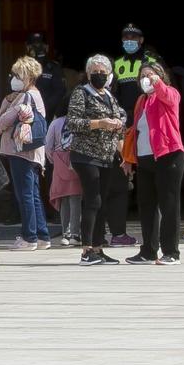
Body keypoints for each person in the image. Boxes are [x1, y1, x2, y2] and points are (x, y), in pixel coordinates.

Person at [65, 54, 126, 267]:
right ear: (88, 74)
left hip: (107, 156)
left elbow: (120, 124)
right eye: (95, 72)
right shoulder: (81, 93)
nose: (99, 76)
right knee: (92, 201)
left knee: (102, 201)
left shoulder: (110, 95)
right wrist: (100, 123)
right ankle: (86, 250)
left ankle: (99, 247)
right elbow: (73, 122)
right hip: (86, 155)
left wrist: (124, 155)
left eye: (103, 72)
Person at [127, 61, 184, 265]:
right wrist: (129, 158)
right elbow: (136, 131)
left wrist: (157, 83)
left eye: (151, 74)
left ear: (161, 76)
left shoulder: (169, 93)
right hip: (145, 158)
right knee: (147, 205)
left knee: (169, 205)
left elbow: (169, 98)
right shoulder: (141, 101)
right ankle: (148, 251)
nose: (146, 78)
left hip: (168, 155)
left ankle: (171, 252)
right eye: (143, 75)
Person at [105, 24, 161, 246]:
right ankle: (119, 232)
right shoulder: (116, 64)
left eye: (133, 37)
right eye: (125, 37)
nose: (129, 40)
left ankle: (154, 233)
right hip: (124, 126)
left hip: (146, 124)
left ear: (141, 39)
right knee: (120, 178)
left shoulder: (150, 62)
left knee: (151, 177)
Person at [0, 55, 51, 252]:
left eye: (17, 75)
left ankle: (29, 237)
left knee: (24, 194)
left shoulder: (26, 97)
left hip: (21, 151)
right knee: (33, 194)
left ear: (28, 76)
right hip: (33, 152)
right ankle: (42, 235)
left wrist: (3, 116)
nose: (13, 78)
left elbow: (2, 121)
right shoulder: (31, 95)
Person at [46, 113, 82, 244]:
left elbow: (48, 145)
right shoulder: (80, 120)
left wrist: (53, 159)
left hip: (59, 159)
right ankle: (75, 234)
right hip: (77, 158)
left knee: (64, 198)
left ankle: (65, 234)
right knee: (76, 197)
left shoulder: (55, 123)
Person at [25, 33, 69, 126]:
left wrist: (42, 108)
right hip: (25, 116)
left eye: (41, 45)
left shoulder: (53, 68)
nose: (38, 48)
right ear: (28, 47)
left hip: (48, 116)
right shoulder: (22, 68)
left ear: (47, 47)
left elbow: (60, 92)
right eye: (34, 46)